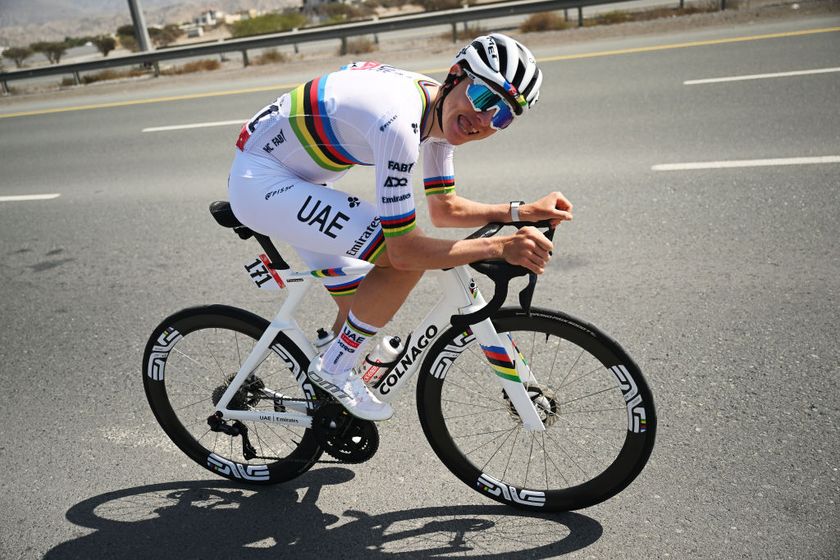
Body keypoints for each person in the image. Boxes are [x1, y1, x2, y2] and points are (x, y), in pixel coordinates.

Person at [228, 33, 573, 421]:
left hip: (301, 178)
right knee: (401, 266)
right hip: (263, 183)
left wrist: (520, 211)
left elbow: (445, 209)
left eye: (503, 115)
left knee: (365, 301)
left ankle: (326, 396)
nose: (485, 119)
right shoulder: (399, 122)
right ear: (456, 75)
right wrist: (499, 248)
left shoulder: (440, 112)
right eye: (483, 98)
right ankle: (334, 369)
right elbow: (405, 252)